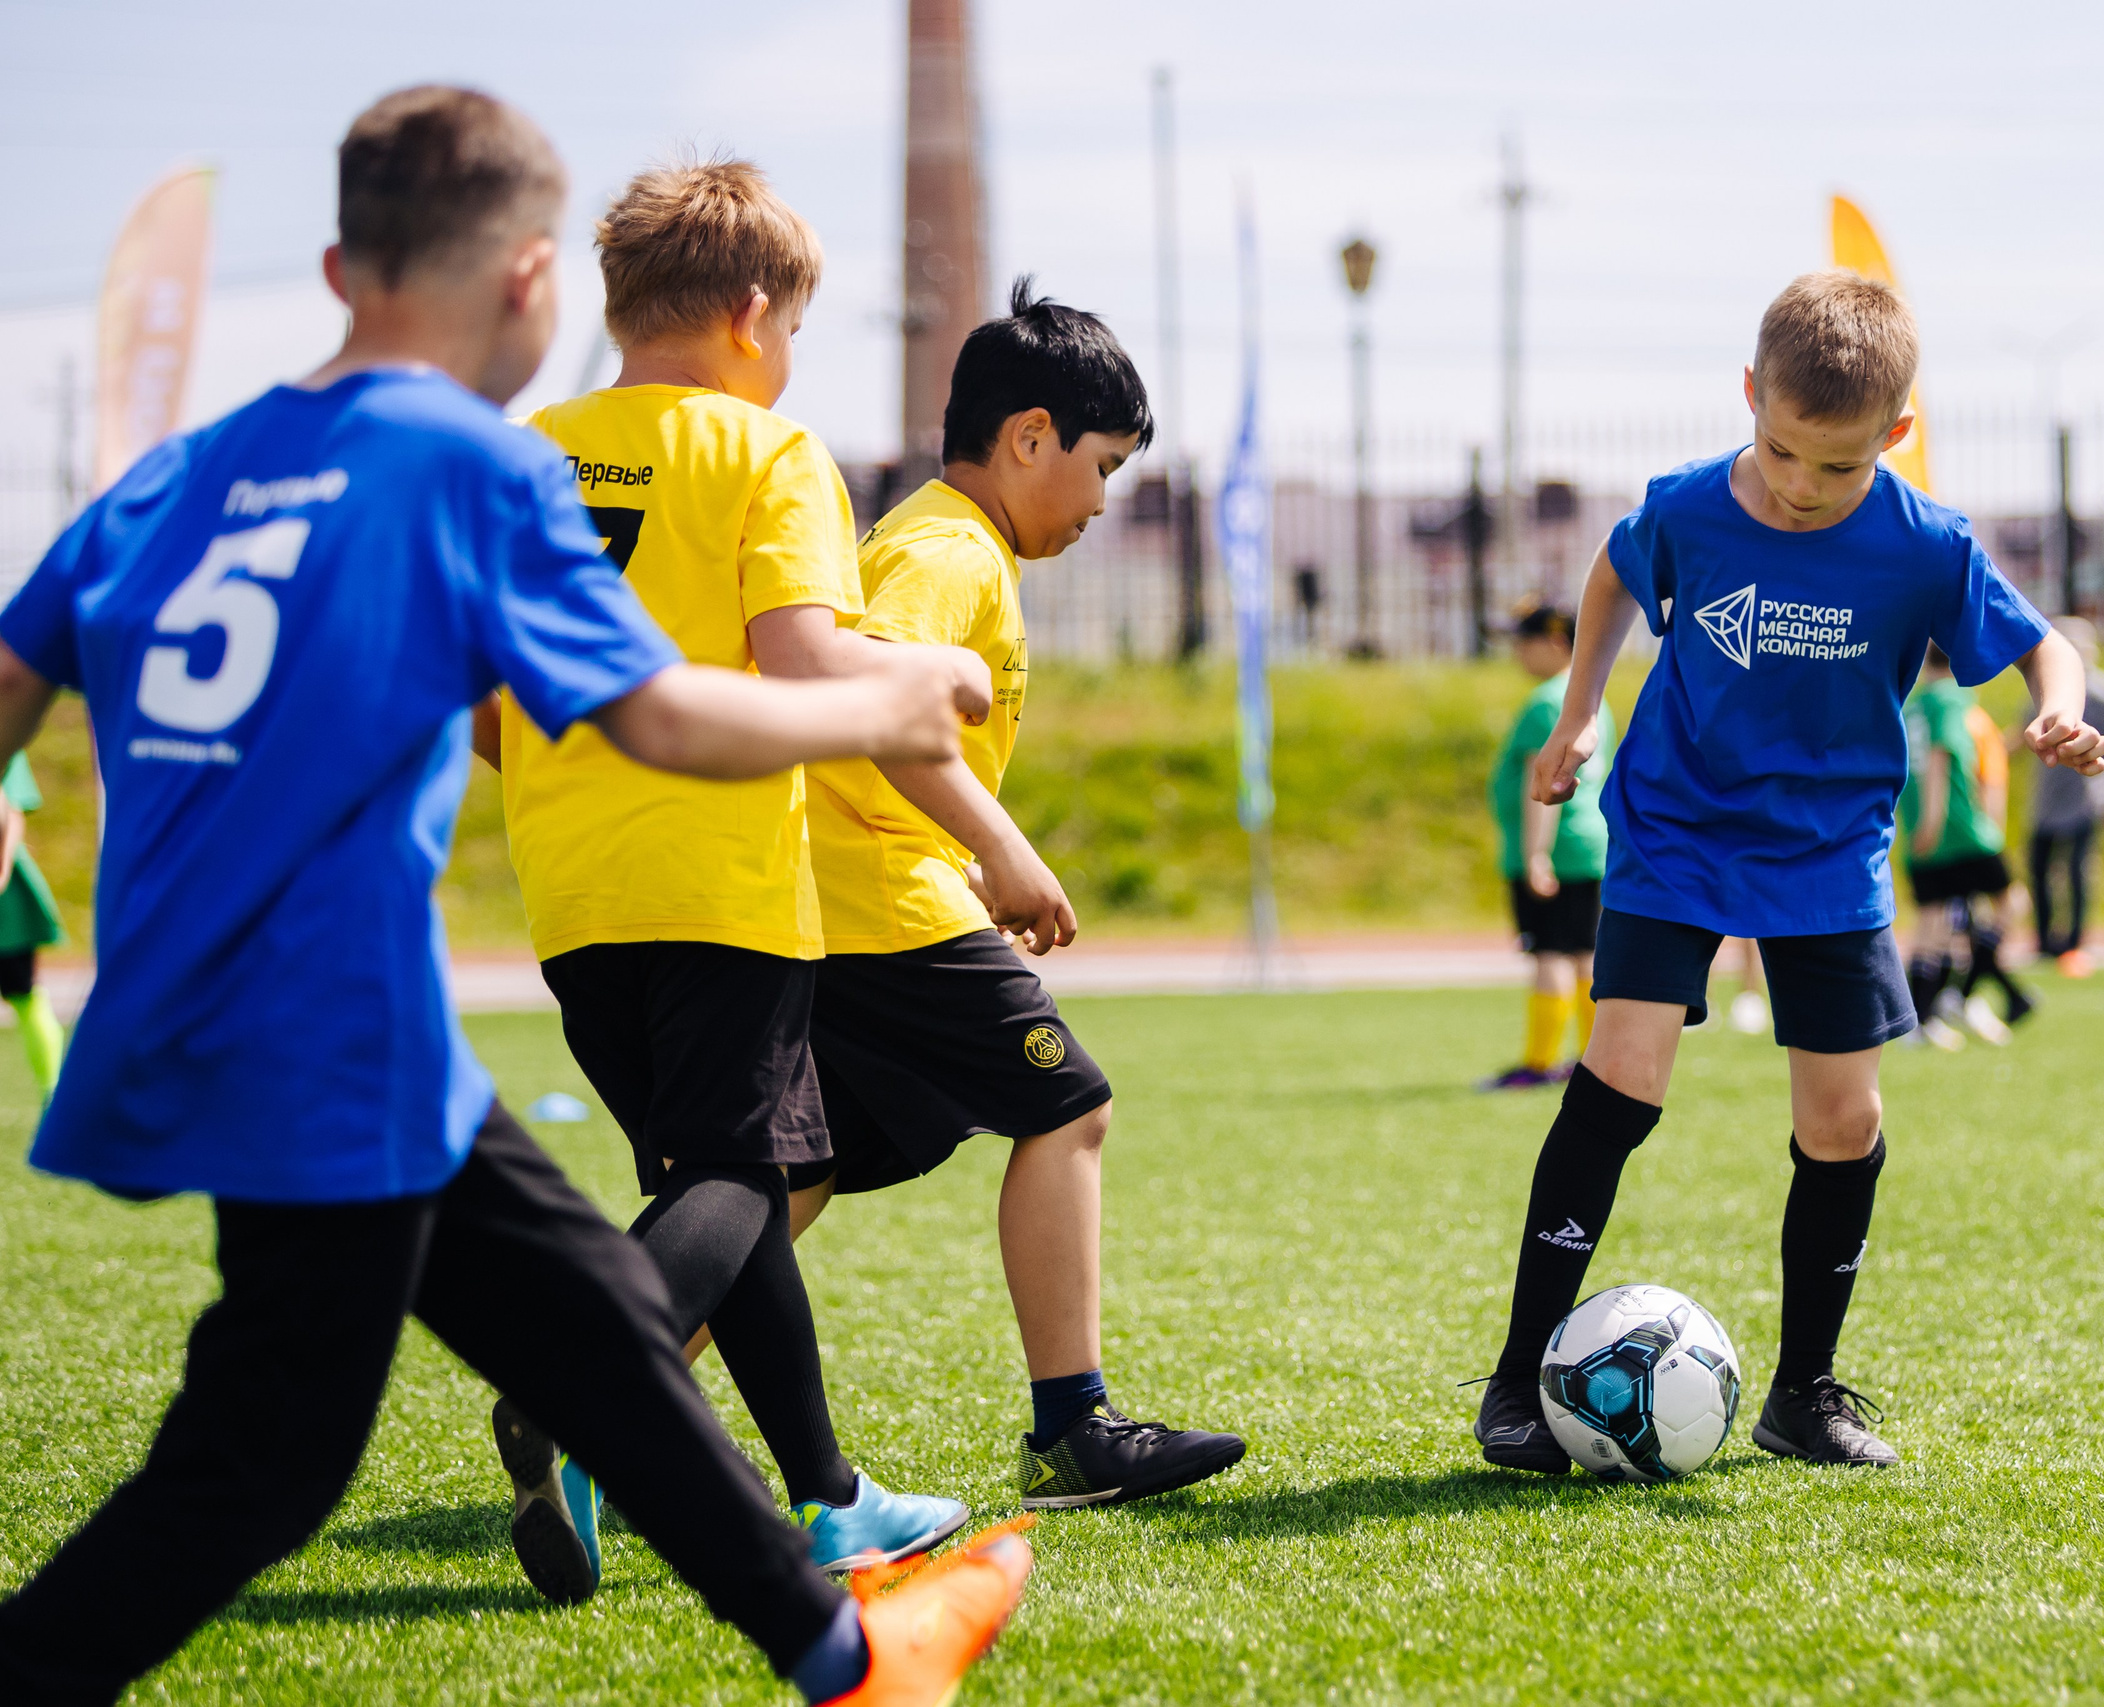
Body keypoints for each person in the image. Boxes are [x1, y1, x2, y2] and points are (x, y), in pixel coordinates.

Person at [0, 87, 1027, 1707]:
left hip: (250, 1012)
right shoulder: (471, 466)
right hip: (331, 1025)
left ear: (336, 267)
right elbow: (660, 715)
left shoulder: (173, 473)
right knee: (264, 1456)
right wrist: (896, 700)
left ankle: (843, 1653)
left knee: (585, 1326)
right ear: (535, 278)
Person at [1470, 271, 2104, 1474]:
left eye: (1839, 466)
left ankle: (1802, 1394)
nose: (1803, 485)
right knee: (1622, 1079)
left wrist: (2059, 712)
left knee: (1844, 1119)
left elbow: (2043, 649)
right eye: (1780, 452)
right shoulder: (1687, 506)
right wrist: (1578, 713)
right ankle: (1514, 1384)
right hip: (1676, 824)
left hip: (1828, 849)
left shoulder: (1925, 543)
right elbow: (1611, 575)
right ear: (1748, 395)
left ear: (1895, 435)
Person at [474, 156, 977, 1601]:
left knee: (719, 1183)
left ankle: (829, 1499)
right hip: (727, 876)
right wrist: (924, 686)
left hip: (574, 889)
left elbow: (481, 701)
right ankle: (577, 1382)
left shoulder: (522, 458)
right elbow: (804, 661)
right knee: (748, 1173)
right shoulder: (768, 451)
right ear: (755, 314)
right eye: (797, 329)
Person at [791, 280, 1248, 1510]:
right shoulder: (948, 551)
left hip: (834, 899)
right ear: (1031, 437)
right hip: (885, 895)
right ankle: (1075, 1429)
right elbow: (872, 697)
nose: (1101, 501)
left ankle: (590, 1394)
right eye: (1102, 468)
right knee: (1068, 1107)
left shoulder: (938, 538)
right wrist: (999, 849)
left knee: (792, 1175)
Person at [1481, 600, 1614, 1091]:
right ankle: (1593, 1061)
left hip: (1556, 850)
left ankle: (1540, 1063)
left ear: (1557, 643)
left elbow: (1543, 783)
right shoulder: (1591, 697)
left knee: (1551, 954)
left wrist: (1536, 855)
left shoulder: (1546, 703)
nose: (1517, 651)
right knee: (1584, 953)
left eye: (1525, 641)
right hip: (1590, 846)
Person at [1898, 645, 2035, 1047]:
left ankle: (1917, 1020)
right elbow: (1942, 755)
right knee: (2012, 903)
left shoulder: (1911, 707)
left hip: (1920, 831)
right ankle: (1963, 991)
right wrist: (1934, 818)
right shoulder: (1951, 701)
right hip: (1960, 828)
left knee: (1932, 924)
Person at [2021, 615, 2104, 976]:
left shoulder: (2102, 692)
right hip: (2047, 796)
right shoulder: (2043, 691)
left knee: (2075, 871)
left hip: (2086, 796)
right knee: (2039, 869)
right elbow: (2024, 734)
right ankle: (2045, 942)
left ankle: (2074, 943)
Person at [0, 752, 68, 1099]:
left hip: (6, 904)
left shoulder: (7, 733)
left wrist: (2, 869)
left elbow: (10, 810)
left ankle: (53, 1091)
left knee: (24, 992)